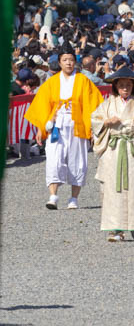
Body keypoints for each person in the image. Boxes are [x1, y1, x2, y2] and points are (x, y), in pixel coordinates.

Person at [25, 41, 104, 210]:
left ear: (74, 61)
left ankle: (74, 198)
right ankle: (53, 196)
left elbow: (94, 105)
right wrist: (40, 128)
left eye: (71, 59)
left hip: (77, 125)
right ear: (59, 62)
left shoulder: (83, 81)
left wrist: (92, 129)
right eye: (65, 60)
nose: (68, 63)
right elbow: (42, 105)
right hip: (56, 126)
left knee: (78, 161)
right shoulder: (52, 82)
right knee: (54, 160)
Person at [91, 66, 134, 241]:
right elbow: (95, 119)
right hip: (113, 149)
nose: (125, 88)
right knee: (112, 188)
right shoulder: (108, 103)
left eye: (128, 85)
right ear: (115, 86)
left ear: (133, 86)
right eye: (121, 85)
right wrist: (107, 122)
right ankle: (115, 229)